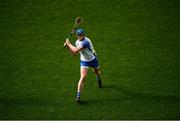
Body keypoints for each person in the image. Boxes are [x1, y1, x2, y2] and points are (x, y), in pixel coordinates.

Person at [64, 28, 102, 102]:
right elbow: (74, 54)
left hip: (93, 59)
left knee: (96, 72)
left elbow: (75, 50)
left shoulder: (86, 42)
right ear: (77, 36)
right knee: (83, 77)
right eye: (81, 35)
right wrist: (68, 47)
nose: (83, 36)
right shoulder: (77, 42)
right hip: (84, 61)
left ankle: (98, 76)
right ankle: (78, 95)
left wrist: (68, 44)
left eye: (83, 34)